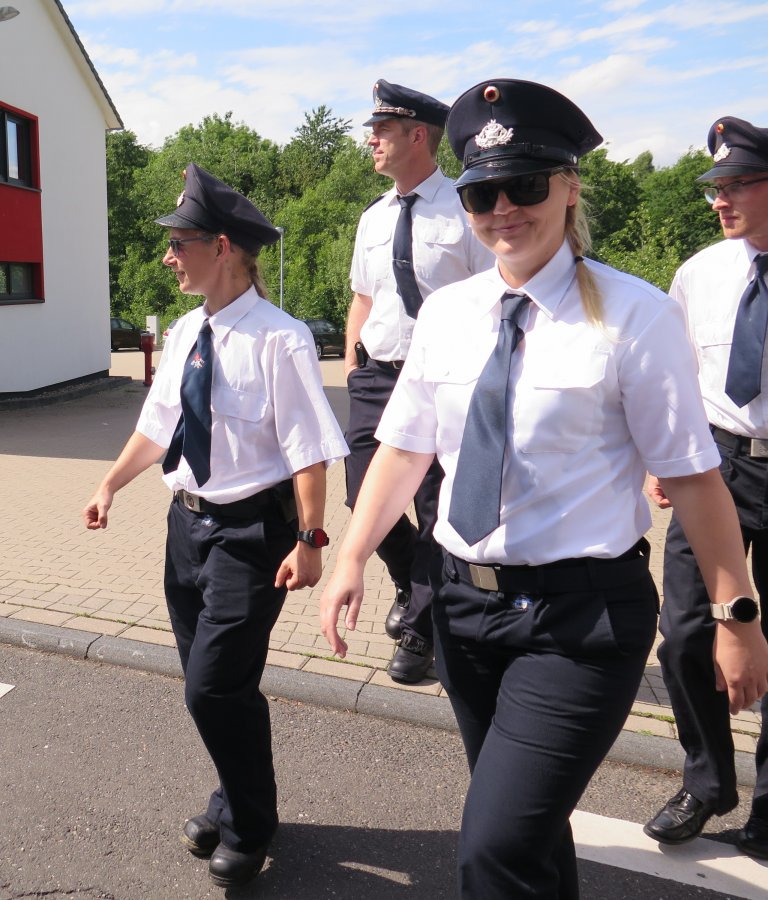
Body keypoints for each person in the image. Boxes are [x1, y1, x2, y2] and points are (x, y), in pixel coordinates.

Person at [318, 79, 768, 898]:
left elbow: (696, 481)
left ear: (568, 188)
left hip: (578, 623)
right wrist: (350, 557)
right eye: (481, 193)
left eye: (524, 185)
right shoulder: (448, 314)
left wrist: (736, 617)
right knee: (531, 838)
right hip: (463, 610)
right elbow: (404, 448)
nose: (503, 209)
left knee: (493, 848)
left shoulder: (634, 316)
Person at [83, 163, 347, 888]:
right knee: (219, 685)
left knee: (212, 688)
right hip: (187, 530)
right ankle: (233, 799)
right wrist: (110, 484)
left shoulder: (281, 339)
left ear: (222, 247)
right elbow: (159, 424)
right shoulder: (185, 333)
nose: (168, 256)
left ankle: (250, 826)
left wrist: (312, 541)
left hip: (251, 536)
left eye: (179, 243)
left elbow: (309, 450)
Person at [643, 116, 768, 859]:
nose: (720, 200)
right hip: (716, 465)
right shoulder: (700, 273)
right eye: (715, 187)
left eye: (737, 184)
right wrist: (662, 460)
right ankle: (707, 780)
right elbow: (676, 375)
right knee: (686, 630)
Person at [344, 79, 493, 683]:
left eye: (382, 130)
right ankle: (413, 580)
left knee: (435, 508)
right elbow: (363, 297)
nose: (371, 140)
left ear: (418, 136)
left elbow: (494, 294)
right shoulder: (373, 217)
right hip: (377, 378)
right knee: (361, 493)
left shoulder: (467, 207)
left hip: (443, 380)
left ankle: (422, 629)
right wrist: (353, 367)